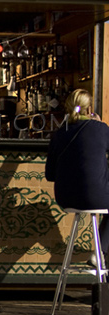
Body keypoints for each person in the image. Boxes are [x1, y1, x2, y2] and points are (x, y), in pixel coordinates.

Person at [45, 88, 109, 265]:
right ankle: (100, 251)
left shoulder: (58, 134)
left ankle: (100, 254)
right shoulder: (101, 129)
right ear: (89, 110)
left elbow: (49, 175)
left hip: (65, 198)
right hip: (96, 197)